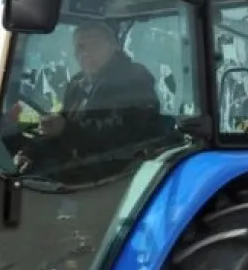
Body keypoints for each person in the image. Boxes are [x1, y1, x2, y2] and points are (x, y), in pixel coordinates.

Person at [11, 20, 161, 178]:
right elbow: (64, 126)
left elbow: (126, 131)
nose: (86, 52)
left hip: (118, 172)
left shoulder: (134, 79)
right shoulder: (78, 84)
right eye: (80, 47)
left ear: (114, 47)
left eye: (95, 45)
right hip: (79, 164)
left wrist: (66, 129)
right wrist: (32, 151)